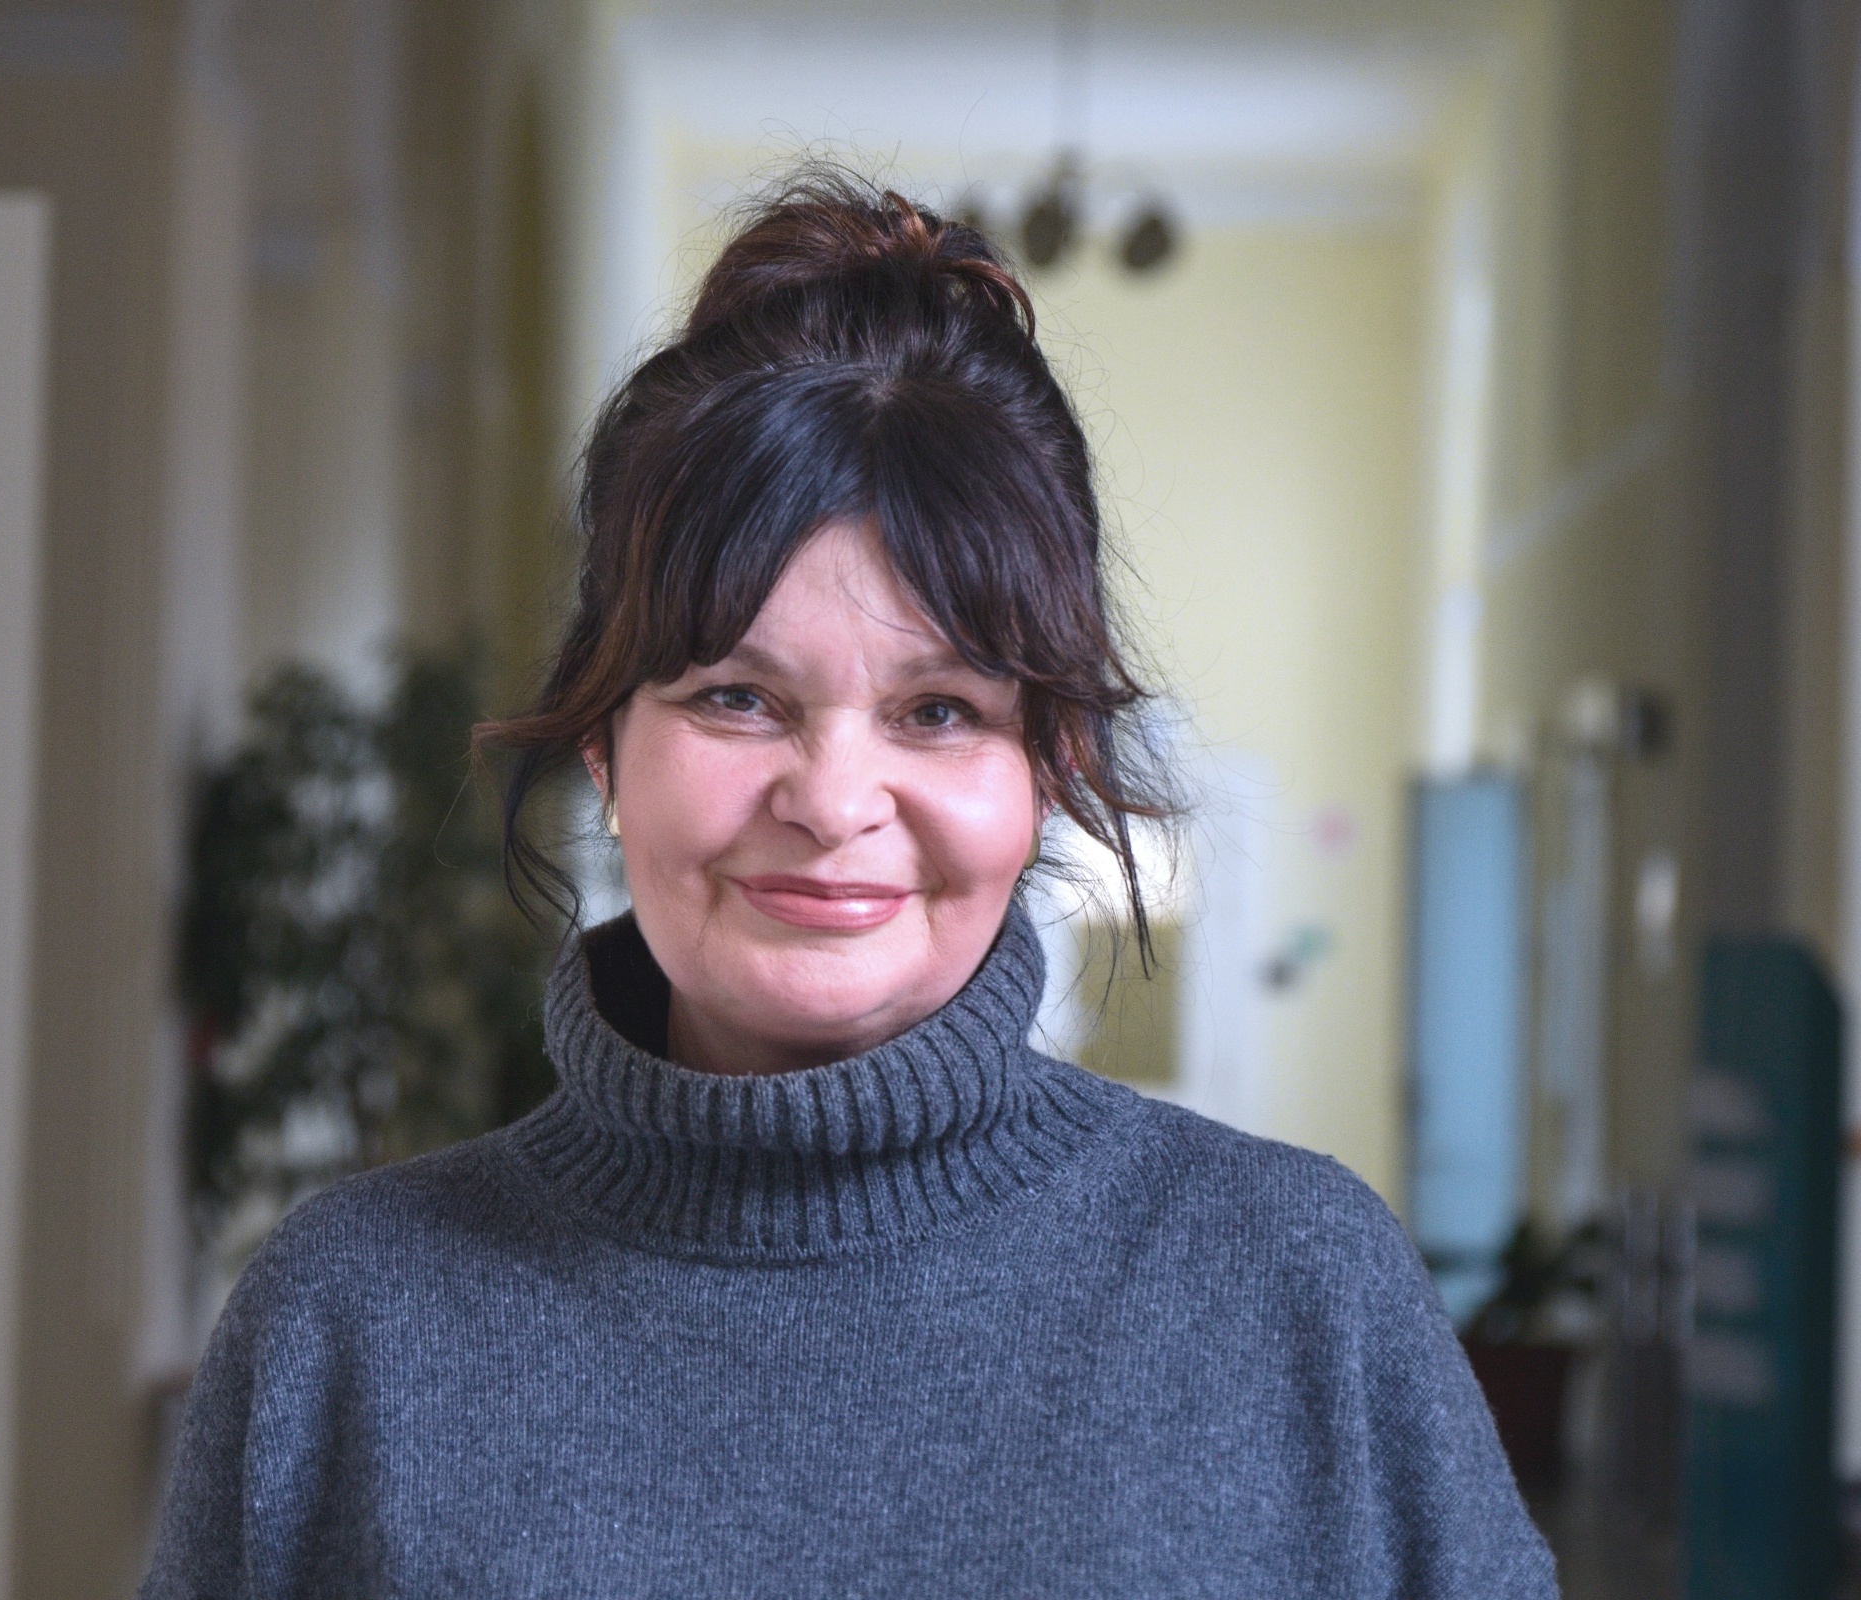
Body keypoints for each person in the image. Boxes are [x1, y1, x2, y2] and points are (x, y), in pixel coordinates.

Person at [142, 175, 1556, 1598]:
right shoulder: (349, 1323)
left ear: (1049, 764)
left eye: (938, 711)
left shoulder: (1296, 1291)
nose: (831, 801)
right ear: (603, 746)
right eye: (736, 697)